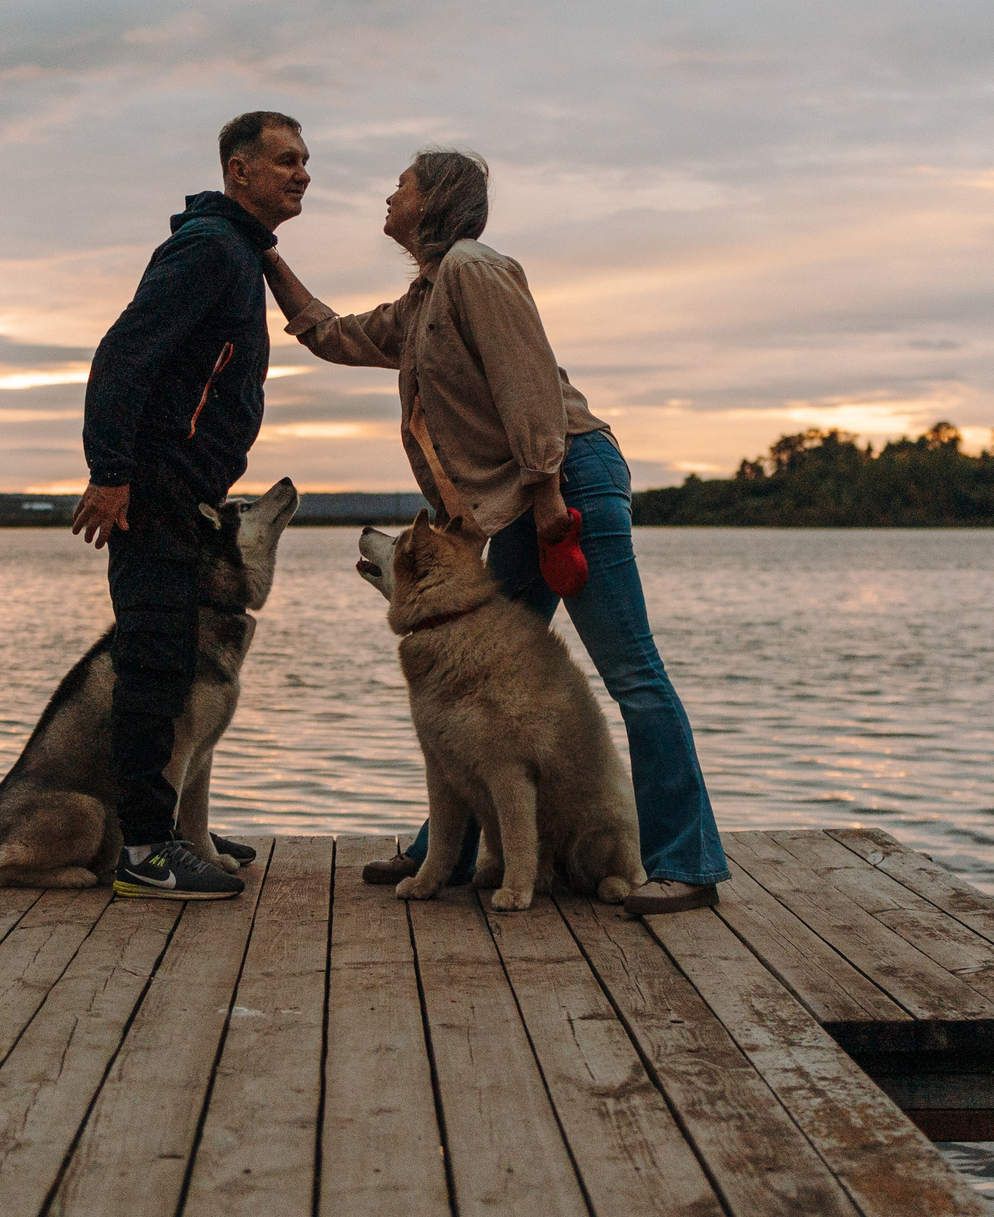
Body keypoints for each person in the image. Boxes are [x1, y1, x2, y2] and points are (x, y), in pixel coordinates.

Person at [260, 148, 728, 917]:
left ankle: (686, 861)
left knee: (632, 672)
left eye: (402, 183)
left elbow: (527, 380)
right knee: (463, 675)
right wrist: (267, 255)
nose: (390, 192)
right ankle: (444, 849)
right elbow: (330, 333)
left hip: (565, 480)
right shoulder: (424, 301)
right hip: (520, 497)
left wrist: (549, 504)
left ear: (435, 201)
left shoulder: (476, 269)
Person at [73, 110, 309, 900]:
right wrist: (111, 472)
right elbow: (124, 352)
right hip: (154, 491)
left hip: (188, 495)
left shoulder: (239, 252)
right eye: (284, 160)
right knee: (154, 667)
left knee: (172, 664)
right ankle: (144, 850)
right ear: (237, 170)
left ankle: (169, 827)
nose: (302, 172)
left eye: (306, 161)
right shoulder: (209, 249)